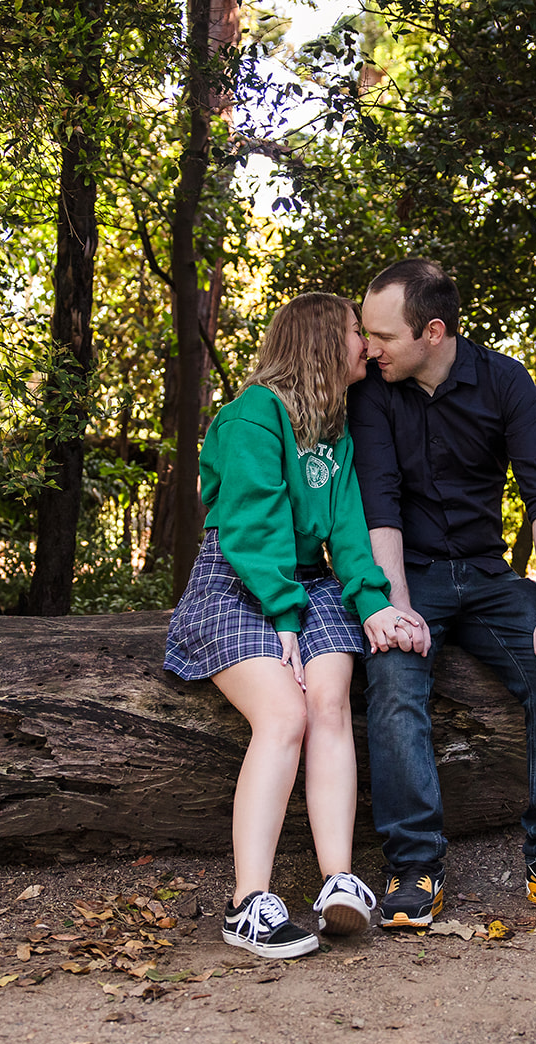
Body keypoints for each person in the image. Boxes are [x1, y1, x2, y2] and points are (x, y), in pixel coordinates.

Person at [348, 258, 536, 927]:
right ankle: (415, 863)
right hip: (408, 575)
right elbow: (378, 503)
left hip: (490, 577)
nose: (367, 346)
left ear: (433, 332)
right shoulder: (374, 391)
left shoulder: (504, 381)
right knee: (390, 673)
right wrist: (393, 604)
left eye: (382, 334)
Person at [165, 292, 428, 959]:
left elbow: (346, 530)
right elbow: (253, 526)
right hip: (239, 579)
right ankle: (247, 903)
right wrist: (284, 614)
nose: (365, 345)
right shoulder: (253, 412)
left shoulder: (333, 432)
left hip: (308, 583)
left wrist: (374, 604)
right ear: (318, 342)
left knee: (331, 700)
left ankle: (338, 880)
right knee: (285, 715)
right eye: (352, 332)